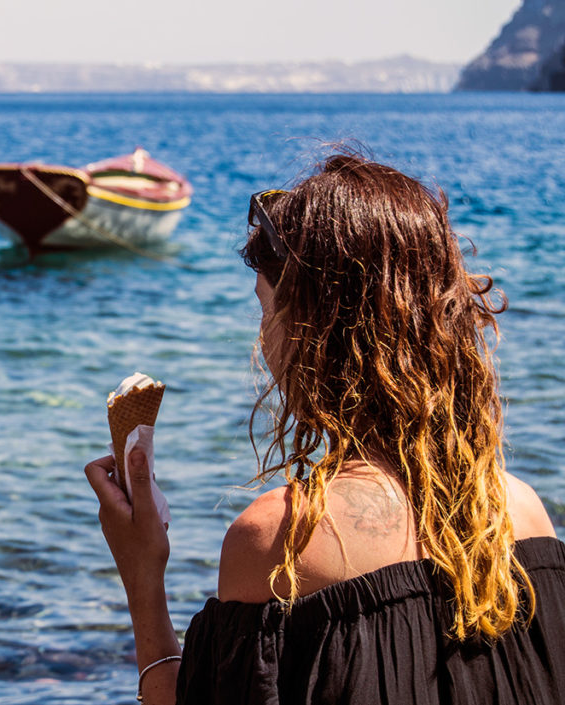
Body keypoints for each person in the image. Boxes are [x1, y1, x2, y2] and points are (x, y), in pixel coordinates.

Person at [85, 152, 564, 704]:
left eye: (268, 311)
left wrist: (142, 575)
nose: (263, 341)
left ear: (316, 333)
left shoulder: (280, 542)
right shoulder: (523, 515)